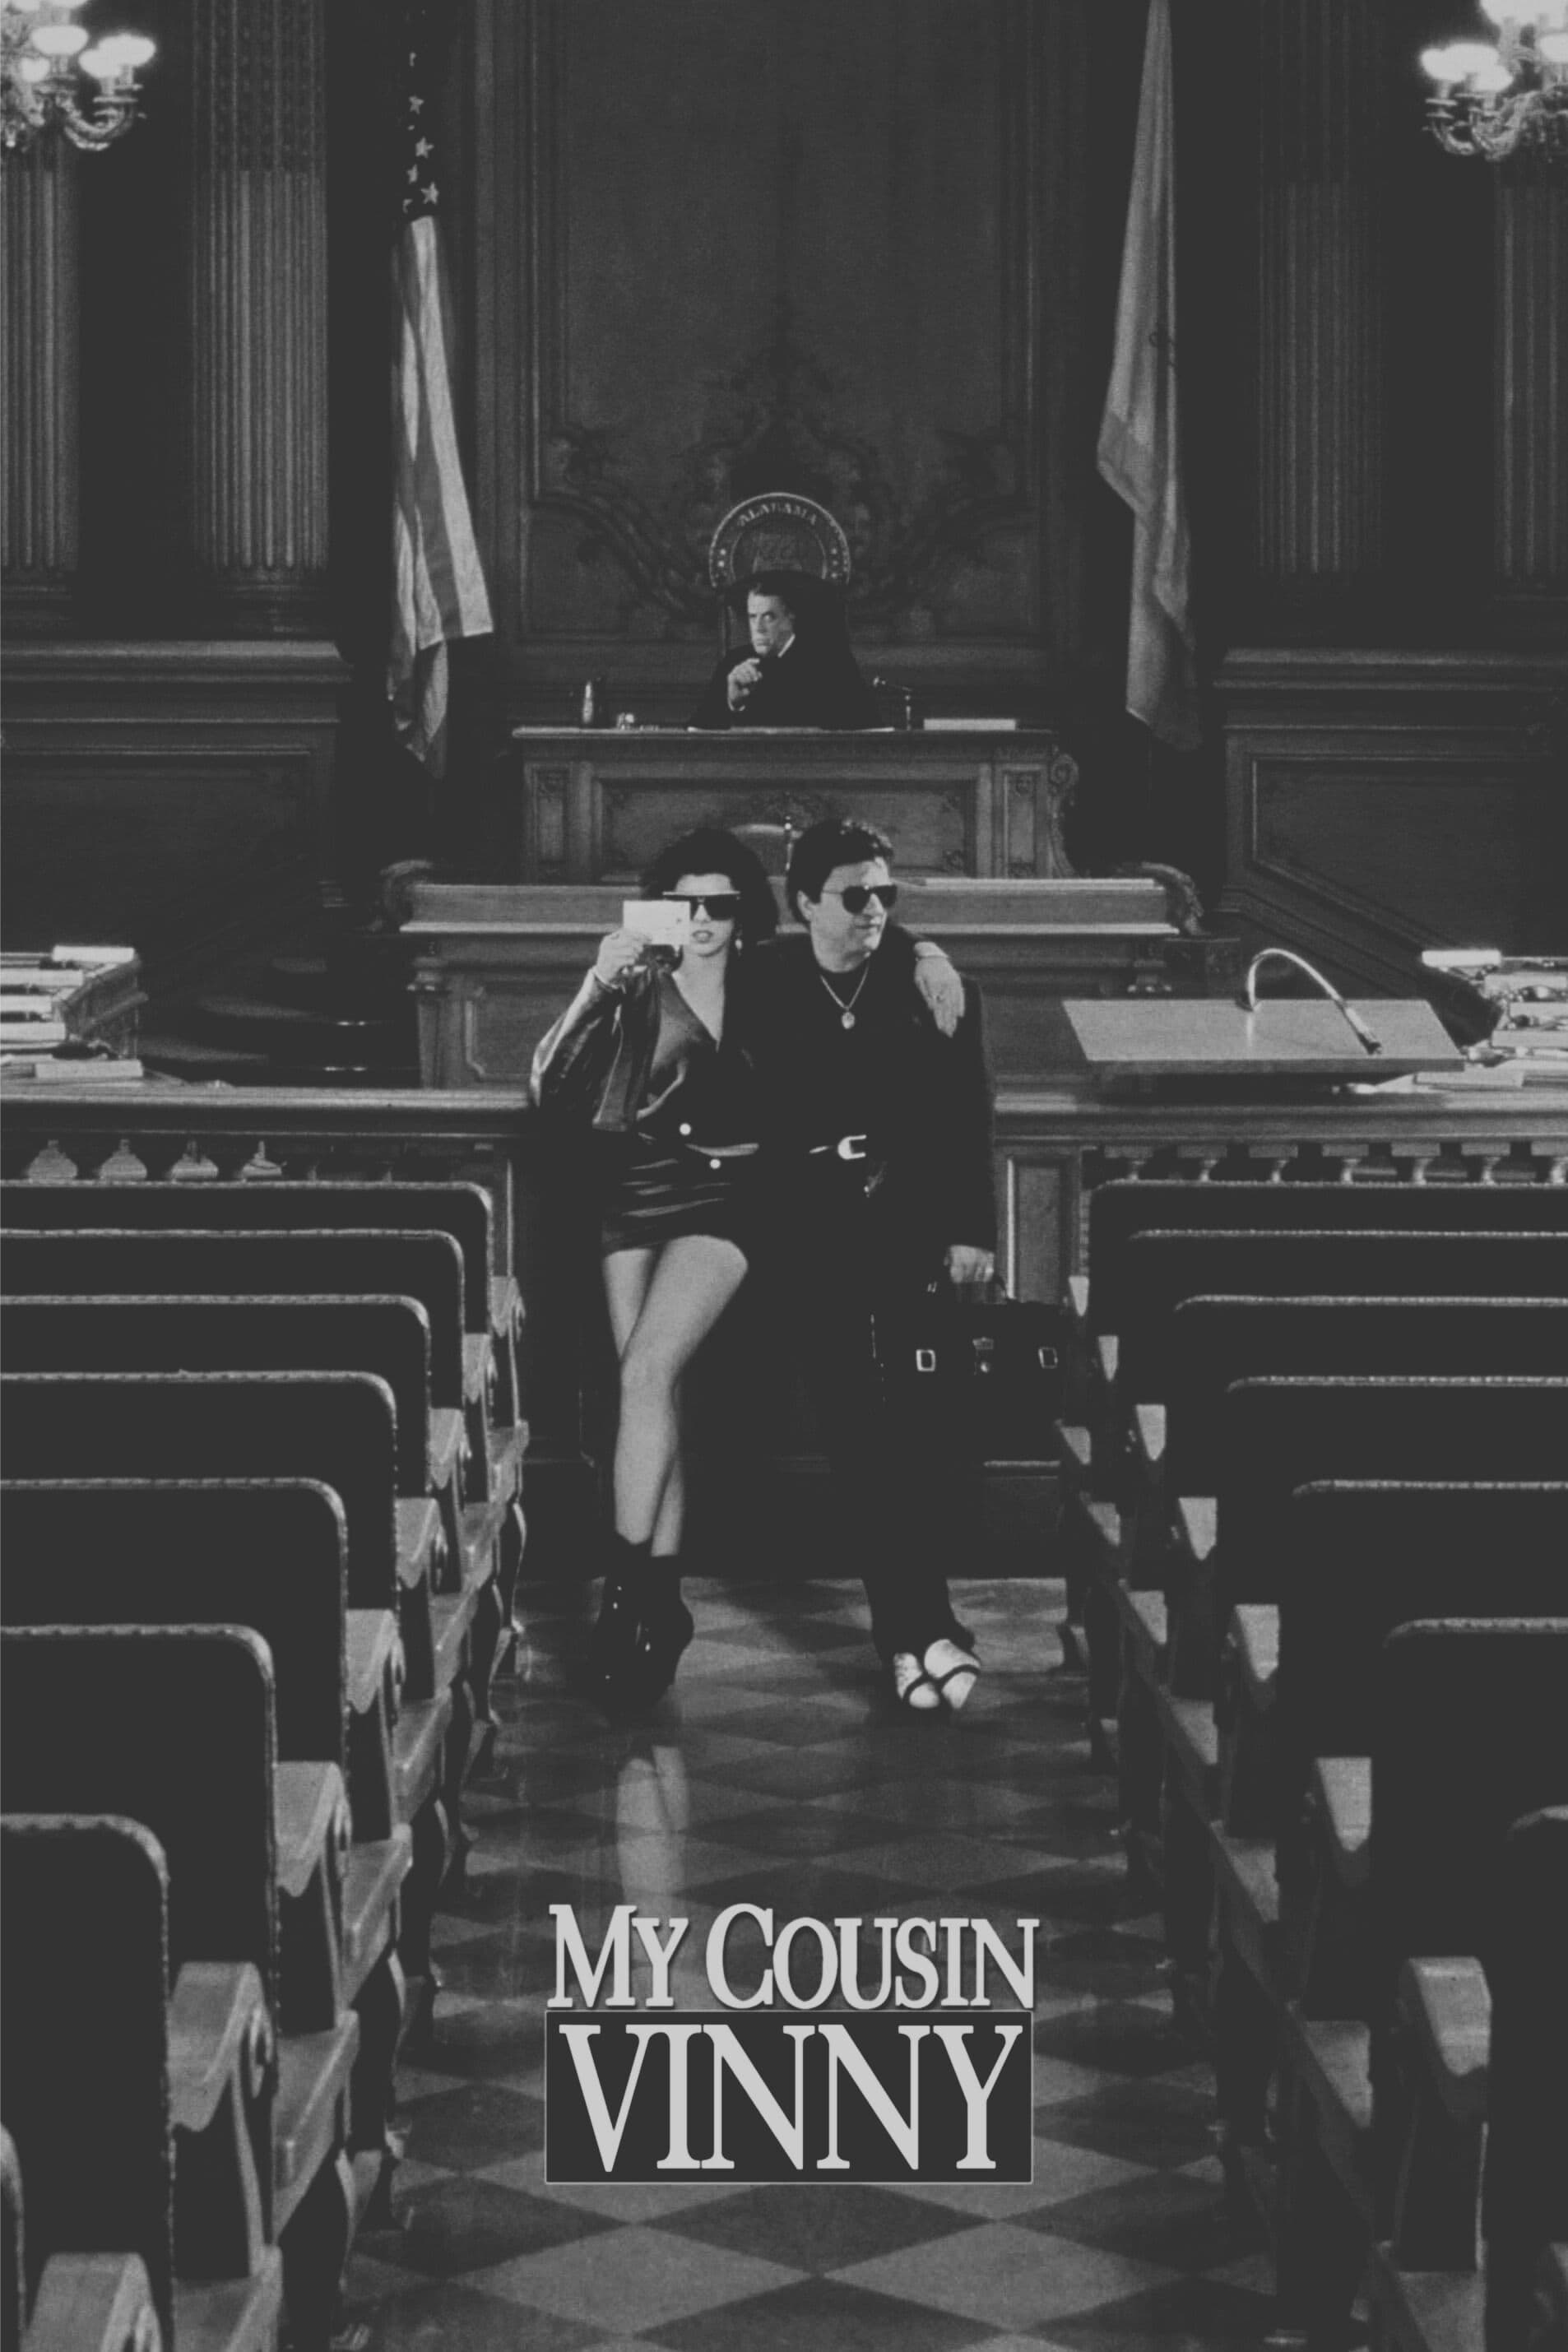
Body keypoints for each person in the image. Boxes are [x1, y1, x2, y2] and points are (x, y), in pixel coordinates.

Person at [748, 817, 997, 1712]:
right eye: (854, 894)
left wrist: (972, 1229)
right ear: (804, 902)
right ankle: (917, 1632)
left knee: (913, 1432)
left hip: (907, 1227)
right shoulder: (765, 977)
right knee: (857, 1431)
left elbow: (967, 1111)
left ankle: (914, 1630)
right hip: (806, 1235)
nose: (874, 909)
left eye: (886, 893)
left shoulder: (926, 983)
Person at [531, 827, 777, 1710]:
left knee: (644, 1371)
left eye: (721, 904)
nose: (703, 919)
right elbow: (548, 1083)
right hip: (633, 1190)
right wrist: (597, 981)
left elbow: (866, 953)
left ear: (745, 912)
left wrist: (927, 955)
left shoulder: (773, 983)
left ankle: (625, 1599)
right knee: (645, 1393)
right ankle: (661, 1604)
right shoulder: (639, 981)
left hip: (733, 1197)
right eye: (686, 903)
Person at [689, 570, 879, 731]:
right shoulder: (732, 663)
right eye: (753, 617)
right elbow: (698, 733)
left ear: (790, 619)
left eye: (769, 617)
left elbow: (864, 731)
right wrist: (734, 703)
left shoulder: (832, 662)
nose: (758, 628)